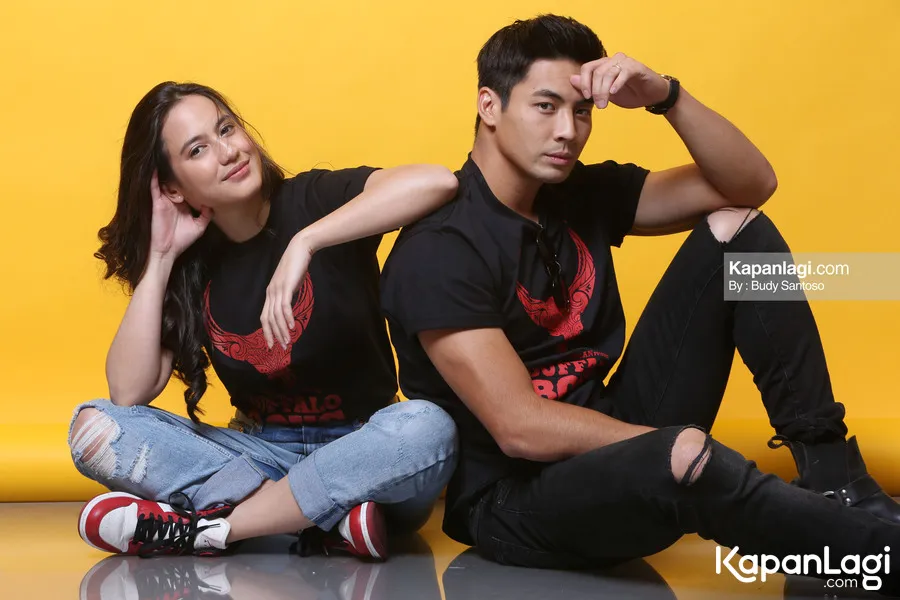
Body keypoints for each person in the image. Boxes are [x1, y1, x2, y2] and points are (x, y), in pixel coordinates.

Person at [380, 14, 900, 592]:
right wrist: (672, 445)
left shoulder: (576, 194)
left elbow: (751, 185)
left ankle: (834, 478)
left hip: (616, 437)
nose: (568, 131)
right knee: (684, 455)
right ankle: (864, 556)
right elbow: (520, 428)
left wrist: (666, 96)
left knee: (738, 232)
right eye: (545, 107)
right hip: (516, 499)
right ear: (489, 106)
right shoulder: (440, 248)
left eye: (582, 112)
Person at [68, 81, 459, 560]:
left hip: (364, 448)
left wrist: (305, 243)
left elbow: (437, 182)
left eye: (226, 129)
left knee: (427, 427)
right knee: (92, 428)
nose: (228, 152)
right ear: (172, 188)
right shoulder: (191, 262)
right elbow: (128, 393)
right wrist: (163, 256)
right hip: (257, 456)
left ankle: (217, 529)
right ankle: (327, 521)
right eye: (197, 150)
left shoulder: (316, 199)